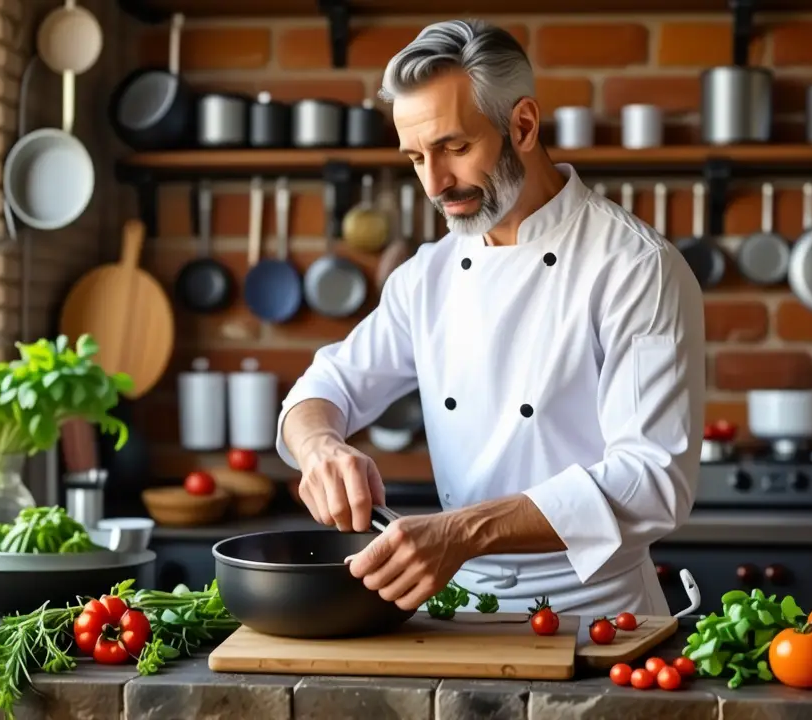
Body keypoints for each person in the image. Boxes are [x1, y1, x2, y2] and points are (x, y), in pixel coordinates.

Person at [274, 19, 707, 616]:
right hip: (454, 611)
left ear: (523, 125)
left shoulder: (635, 268)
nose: (435, 182)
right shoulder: (428, 276)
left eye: (454, 148)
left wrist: (462, 533)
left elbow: (653, 481)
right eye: (415, 156)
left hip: (598, 619)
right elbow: (325, 387)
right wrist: (320, 445)